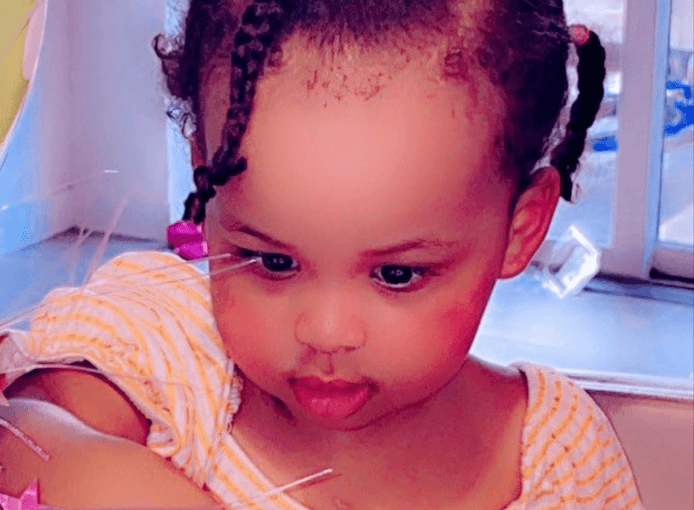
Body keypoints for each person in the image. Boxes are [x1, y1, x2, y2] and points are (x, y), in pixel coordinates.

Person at [0, 1, 646, 508]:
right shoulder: (168, 351)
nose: (326, 332)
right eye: (272, 261)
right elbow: (24, 431)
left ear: (520, 228)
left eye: (397, 274)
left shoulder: (559, 461)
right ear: (206, 180)